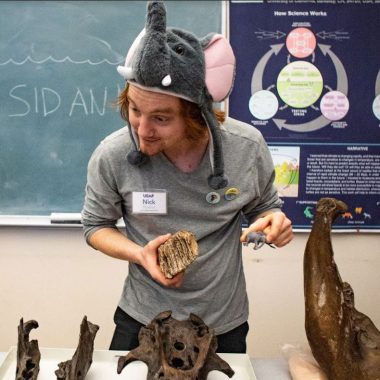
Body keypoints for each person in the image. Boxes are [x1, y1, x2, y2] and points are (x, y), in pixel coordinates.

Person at [81, 0, 293, 354]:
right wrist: (139, 254)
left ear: (196, 116)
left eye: (161, 118)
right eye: (135, 110)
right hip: (142, 320)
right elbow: (94, 226)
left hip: (221, 324)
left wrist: (272, 224)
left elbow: (264, 209)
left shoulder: (245, 147)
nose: (142, 129)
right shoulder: (113, 154)